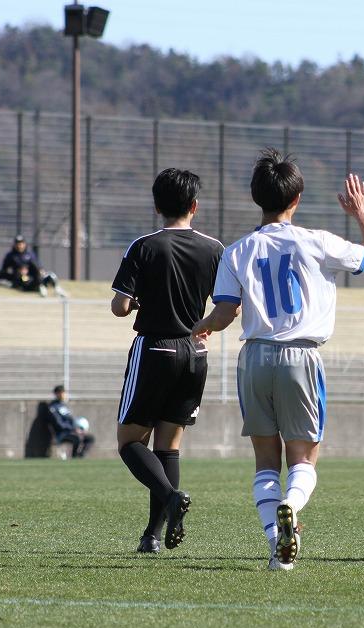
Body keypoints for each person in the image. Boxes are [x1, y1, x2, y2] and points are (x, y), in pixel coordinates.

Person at [192, 149, 364, 570]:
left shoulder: (237, 251)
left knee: (266, 460)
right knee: (303, 458)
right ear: (296, 198)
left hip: (254, 357)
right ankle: (292, 507)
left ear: (255, 198)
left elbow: (225, 314)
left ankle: (277, 548)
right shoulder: (317, 241)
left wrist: (202, 326)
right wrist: (361, 214)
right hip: (300, 355)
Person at [110, 168, 224, 555]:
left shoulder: (144, 246)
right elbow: (228, 305)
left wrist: (140, 302)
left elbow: (120, 306)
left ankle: (171, 497)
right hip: (195, 352)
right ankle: (152, 536)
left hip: (155, 349)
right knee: (169, 447)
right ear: (195, 206)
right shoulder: (214, 249)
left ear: (157, 206)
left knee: (129, 442)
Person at [0, 235, 67, 297]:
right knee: (25, 280)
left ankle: (56, 289)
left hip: (34, 277)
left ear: (24, 244)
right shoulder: (11, 256)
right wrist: (17, 272)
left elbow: (37, 265)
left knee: (50, 275)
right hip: (21, 280)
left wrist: (40, 270)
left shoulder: (30, 254)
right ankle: (40, 287)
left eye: (21, 243)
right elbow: (3, 272)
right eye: (18, 244)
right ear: (15, 244)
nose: (20, 246)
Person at [48, 385, 96, 459]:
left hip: (72, 431)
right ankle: (74, 457)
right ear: (56, 394)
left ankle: (80, 456)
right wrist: (73, 430)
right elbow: (58, 423)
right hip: (62, 434)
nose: (63, 395)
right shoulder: (53, 407)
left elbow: (71, 420)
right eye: (61, 393)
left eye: (64, 393)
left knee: (90, 438)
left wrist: (79, 429)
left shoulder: (64, 406)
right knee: (76, 438)